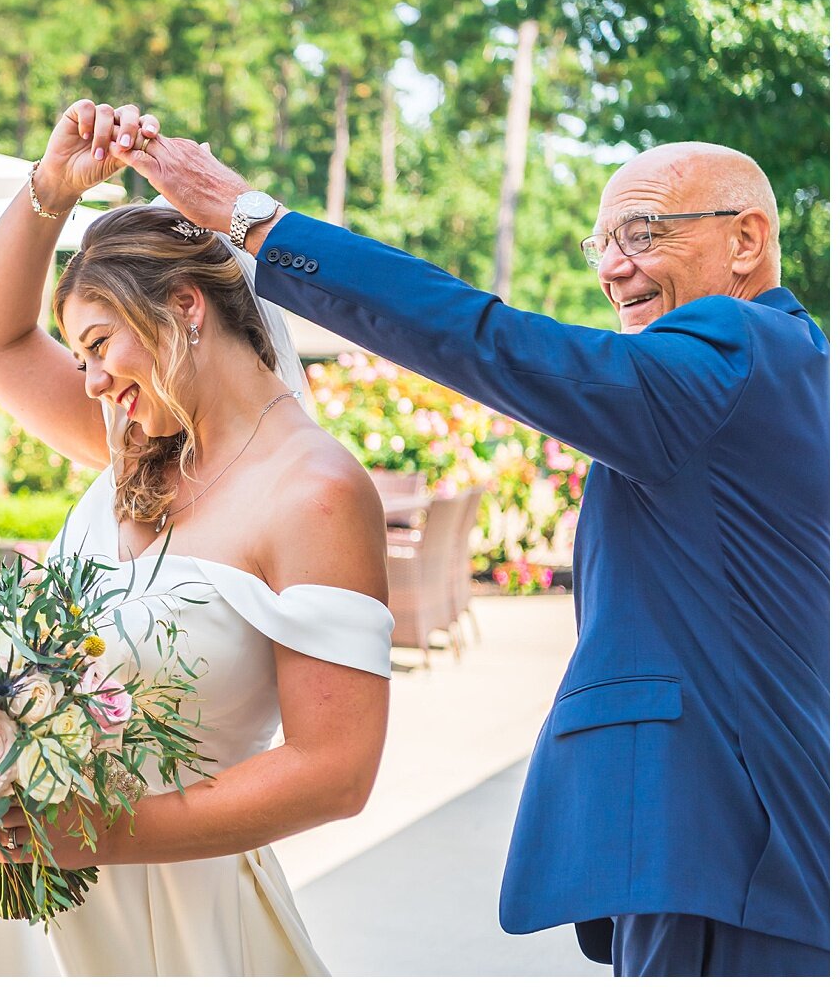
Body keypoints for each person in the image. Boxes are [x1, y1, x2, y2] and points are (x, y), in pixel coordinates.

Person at [104, 115, 829, 976]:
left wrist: (253, 221)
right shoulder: (797, 370)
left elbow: (490, 342)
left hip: (723, 846)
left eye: (642, 232)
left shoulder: (733, 351)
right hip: (753, 845)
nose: (610, 265)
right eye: (603, 240)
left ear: (747, 240)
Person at [0, 100, 394, 976]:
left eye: (97, 344)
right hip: (11, 915)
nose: (87, 382)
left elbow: (335, 770)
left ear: (184, 308)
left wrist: (90, 834)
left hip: (173, 916)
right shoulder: (139, 448)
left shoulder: (315, 495)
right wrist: (52, 189)